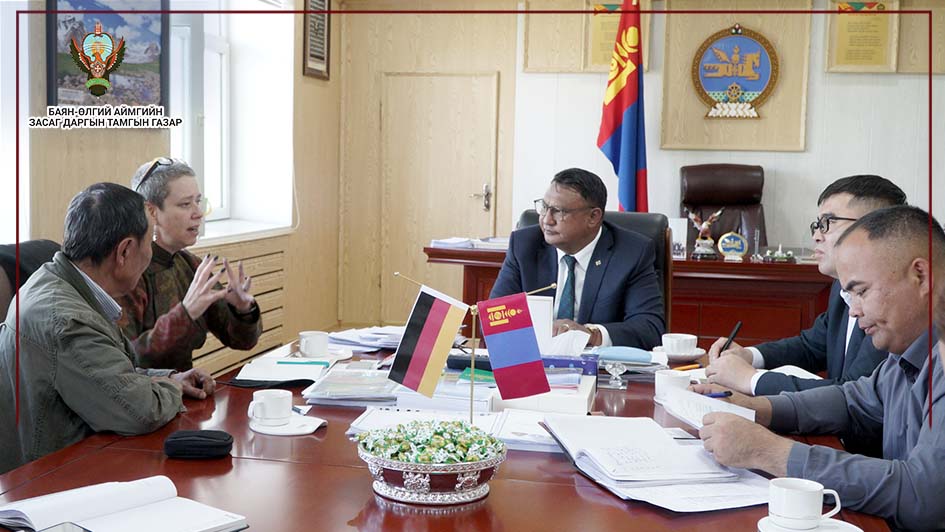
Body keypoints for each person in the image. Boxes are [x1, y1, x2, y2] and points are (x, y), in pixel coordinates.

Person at [694, 205, 945, 531]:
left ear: (920, 276)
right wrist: (757, 408)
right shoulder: (906, 351)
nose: (854, 311)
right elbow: (852, 401)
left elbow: (923, 495)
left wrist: (769, 451)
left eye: (862, 291)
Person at [0, 183, 214, 475]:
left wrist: (168, 377)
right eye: (150, 241)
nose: (151, 252)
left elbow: (104, 373)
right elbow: (140, 411)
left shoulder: (55, 281)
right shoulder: (68, 320)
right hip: (53, 480)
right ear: (124, 251)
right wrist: (171, 388)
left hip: (72, 459)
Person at [706, 175, 905, 397]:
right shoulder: (841, 286)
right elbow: (812, 346)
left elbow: (855, 394)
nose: (816, 236)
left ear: (874, 228)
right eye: (817, 225)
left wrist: (751, 379)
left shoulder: (892, 302)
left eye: (828, 223)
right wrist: (750, 356)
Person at [490, 168, 664, 349]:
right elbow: (494, 318)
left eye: (559, 211)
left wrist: (591, 334)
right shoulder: (524, 245)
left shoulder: (631, 253)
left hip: (599, 363)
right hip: (534, 358)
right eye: (544, 207)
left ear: (593, 217)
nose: (547, 220)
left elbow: (649, 328)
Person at [119, 157, 262, 371]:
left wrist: (243, 310)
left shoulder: (190, 265)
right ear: (152, 212)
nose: (198, 213)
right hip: (142, 390)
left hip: (186, 386)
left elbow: (242, 341)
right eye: (185, 204)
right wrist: (185, 314)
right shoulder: (125, 272)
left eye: (198, 201)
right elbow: (124, 360)